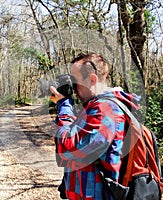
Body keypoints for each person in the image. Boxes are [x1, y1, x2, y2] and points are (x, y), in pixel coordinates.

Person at [50, 52, 140, 200]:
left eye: (75, 81)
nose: (73, 87)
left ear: (92, 79)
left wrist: (64, 105)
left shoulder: (106, 111)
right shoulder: (94, 107)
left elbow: (66, 149)